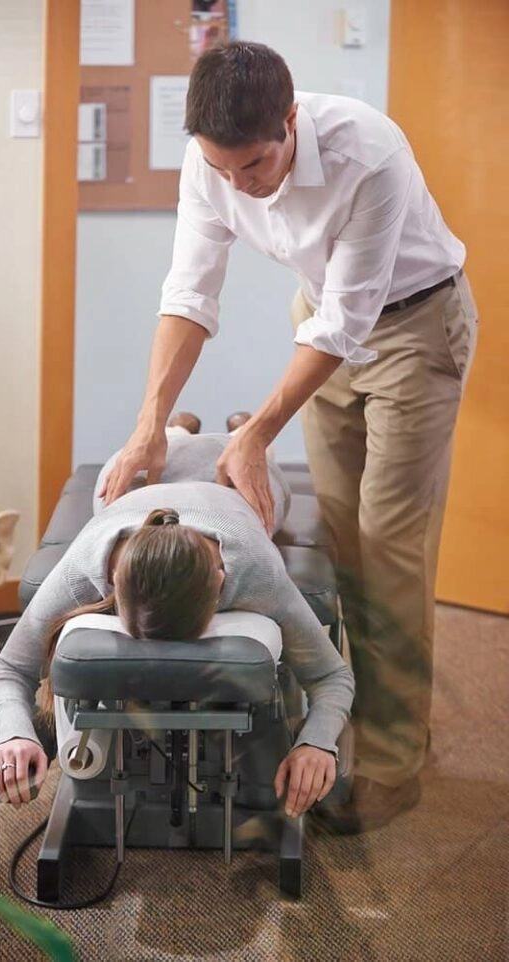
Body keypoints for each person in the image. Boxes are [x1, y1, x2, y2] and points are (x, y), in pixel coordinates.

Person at [99, 42, 478, 833]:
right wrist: (146, 430)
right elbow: (191, 294)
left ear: (290, 123)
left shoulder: (369, 152)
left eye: (255, 166)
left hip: (413, 326)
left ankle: (397, 762)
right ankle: (347, 724)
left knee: (390, 548)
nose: (240, 185)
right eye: (223, 170)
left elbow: (353, 316)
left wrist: (258, 433)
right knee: (341, 544)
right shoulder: (210, 164)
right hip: (326, 326)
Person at [0, 419, 354, 820]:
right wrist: (14, 734)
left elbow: (332, 676)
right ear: (113, 578)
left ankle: (240, 432)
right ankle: (175, 430)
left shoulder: (255, 567)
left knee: (261, 484)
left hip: (230, 477)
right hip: (143, 481)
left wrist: (317, 743)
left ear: (220, 580)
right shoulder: (87, 564)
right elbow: (9, 668)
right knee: (115, 484)